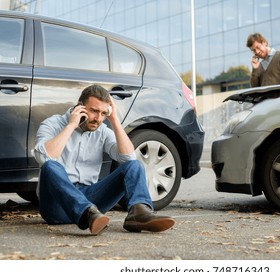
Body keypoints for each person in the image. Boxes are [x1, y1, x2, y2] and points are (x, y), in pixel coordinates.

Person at [33, 84, 175, 235]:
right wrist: (71, 126)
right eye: (94, 111)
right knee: (50, 166)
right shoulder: (53, 124)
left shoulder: (102, 131)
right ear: (79, 107)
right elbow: (43, 157)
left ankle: (138, 215)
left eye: (103, 113)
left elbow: (128, 157)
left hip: (93, 205)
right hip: (58, 205)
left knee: (134, 165)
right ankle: (86, 213)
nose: (98, 119)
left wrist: (114, 119)